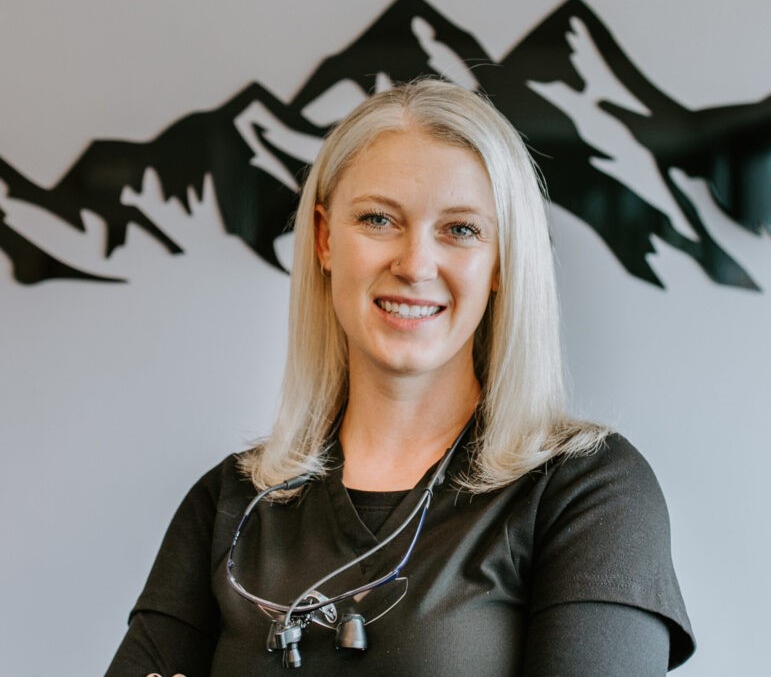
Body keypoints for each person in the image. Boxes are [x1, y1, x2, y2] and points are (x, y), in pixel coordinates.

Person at [106, 79, 695, 676]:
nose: (415, 264)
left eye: (460, 229)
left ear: (502, 260)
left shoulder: (588, 493)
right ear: (324, 238)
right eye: (379, 219)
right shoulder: (231, 503)